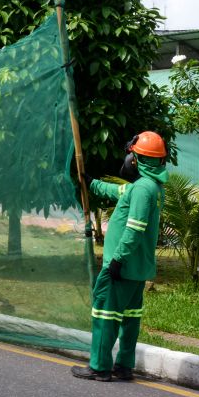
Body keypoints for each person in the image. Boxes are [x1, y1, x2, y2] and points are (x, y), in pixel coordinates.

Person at [72, 131, 168, 382]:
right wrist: (91, 183)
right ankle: (124, 366)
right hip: (138, 269)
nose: (128, 160)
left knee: (105, 314)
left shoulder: (142, 190)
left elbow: (134, 229)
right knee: (130, 318)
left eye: (132, 156)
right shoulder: (151, 188)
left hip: (123, 267)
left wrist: (117, 259)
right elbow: (117, 191)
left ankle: (100, 367)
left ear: (137, 160)